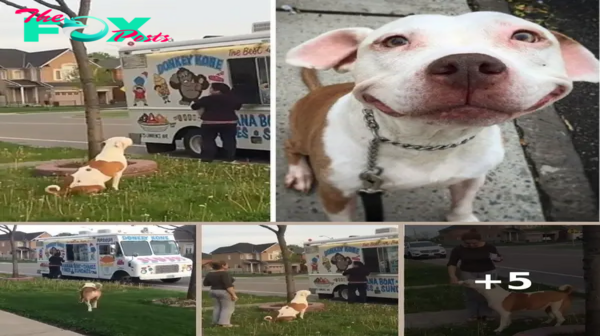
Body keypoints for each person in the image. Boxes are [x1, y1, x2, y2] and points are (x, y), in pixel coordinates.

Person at [447, 229, 503, 322]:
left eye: (474, 243)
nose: (471, 246)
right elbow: (452, 263)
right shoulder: (458, 249)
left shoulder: (489, 247)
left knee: (488, 294)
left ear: (480, 241)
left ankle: (486, 314)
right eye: (467, 244)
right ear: (463, 242)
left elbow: (497, 258)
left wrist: (499, 258)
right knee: (471, 294)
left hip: (488, 272)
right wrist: (452, 276)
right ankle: (473, 314)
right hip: (468, 272)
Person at [190, 83, 242, 162]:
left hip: (210, 122)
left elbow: (194, 106)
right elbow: (238, 106)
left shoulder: (207, 99)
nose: (210, 90)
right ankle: (229, 159)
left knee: (208, 140)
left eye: (211, 88)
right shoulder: (232, 99)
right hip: (229, 122)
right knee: (229, 141)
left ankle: (207, 159)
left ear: (217, 90)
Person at [202, 260, 238, 327]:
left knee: (217, 307)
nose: (228, 266)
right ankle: (224, 323)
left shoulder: (210, 274)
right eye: (227, 264)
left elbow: (205, 283)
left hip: (213, 291)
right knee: (227, 308)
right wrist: (233, 295)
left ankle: (215, 322)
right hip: (224, 292)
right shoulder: (225, 273)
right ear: (223, 266)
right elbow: (228, 286)